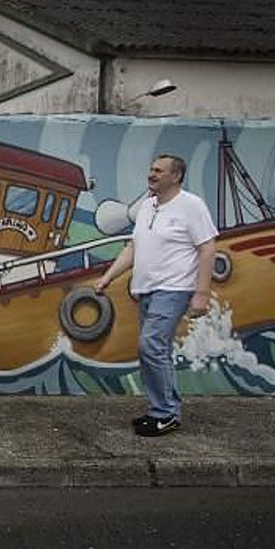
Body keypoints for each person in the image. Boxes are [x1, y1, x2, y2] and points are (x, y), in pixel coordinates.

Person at [94, 153, 217, 437]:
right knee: (153, 350)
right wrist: (108, 276)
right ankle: (160, 409)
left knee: (151, 346)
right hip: (145, 289)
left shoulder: (191, 205)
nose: (152, 174)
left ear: (176, 176)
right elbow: (134, 248)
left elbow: (208, 248)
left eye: (159, 170)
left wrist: (202, 292)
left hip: (173, 288)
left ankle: (166, 413)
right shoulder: (148, 207)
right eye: (151, 169)